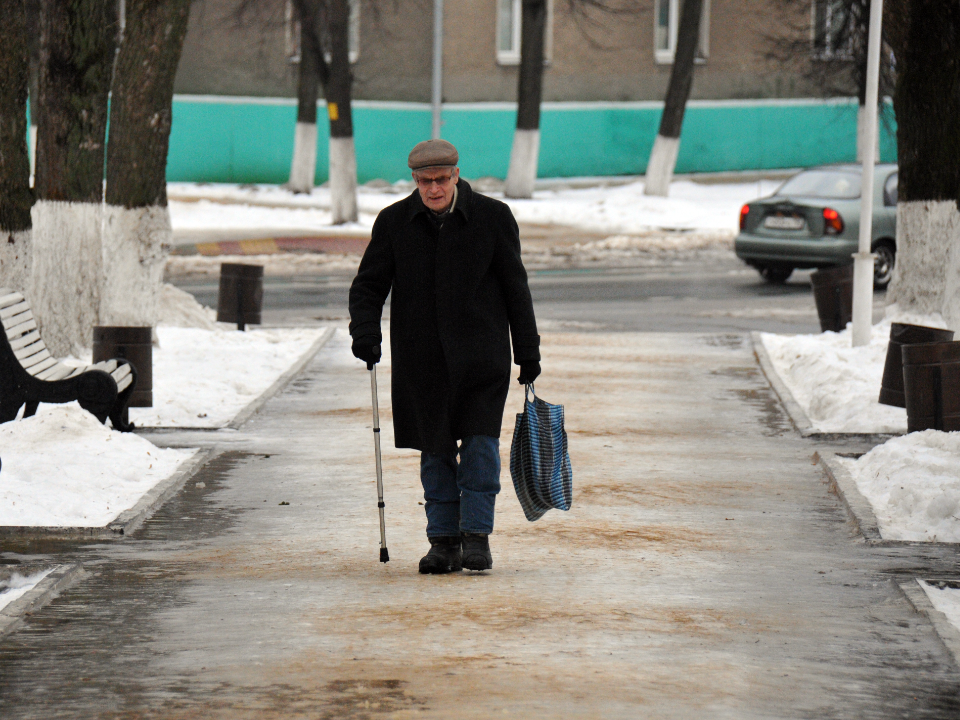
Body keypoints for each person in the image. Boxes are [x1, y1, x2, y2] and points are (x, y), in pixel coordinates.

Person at [348, 139, 541, 574]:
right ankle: (443, 541)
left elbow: (516, 290)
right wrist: (365, 331)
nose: (433, 189)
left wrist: (528, 351)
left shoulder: (493, 218)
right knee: (434, 451)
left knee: (479, 447)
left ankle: (476, 537)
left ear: (456, 175)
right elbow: (368, 286)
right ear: (414, 181)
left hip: (482, 357)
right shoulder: (395, 222)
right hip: (422, 361)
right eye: (423, 182)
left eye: (440, 180)